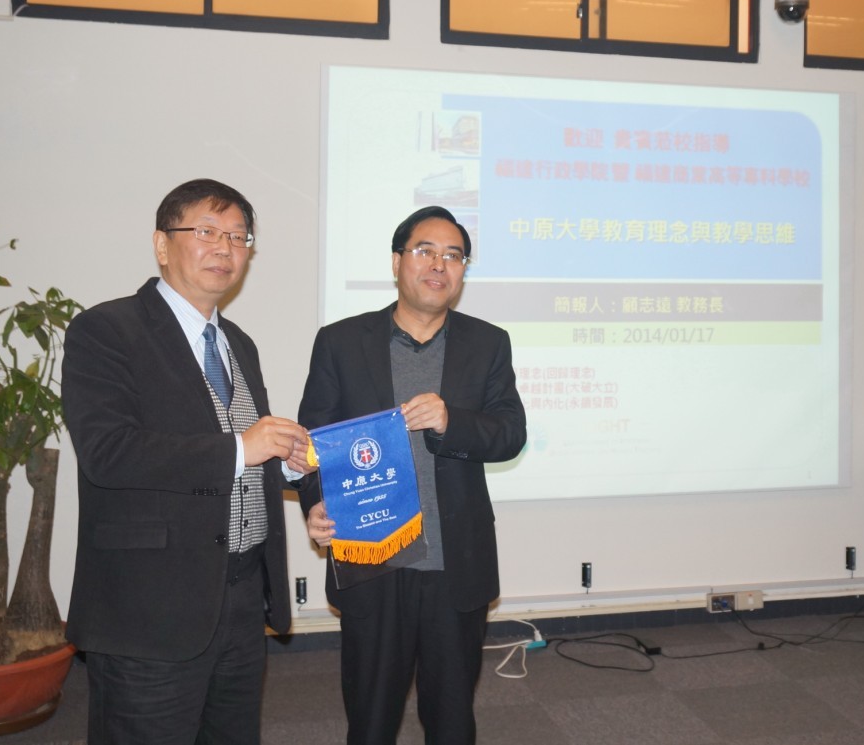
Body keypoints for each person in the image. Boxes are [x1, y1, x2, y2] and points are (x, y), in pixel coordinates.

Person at [62, 179, 315, 745]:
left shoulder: (237, 343)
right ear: (162, 244)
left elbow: (239, 460)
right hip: (150, 608)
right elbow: (108, 452)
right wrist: (242, 448)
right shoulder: (106, 330)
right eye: (206, 231)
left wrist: (285, 463)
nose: (225, 248)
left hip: (242, 598)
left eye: (239, 237)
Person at [299, 205, 527, 745]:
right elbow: (311, 445)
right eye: (425, 251)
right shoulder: (341, 341)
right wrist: (314, 502)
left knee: (451, 720)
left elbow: (510, 432)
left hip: (454, 563)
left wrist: (452, 421)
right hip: (372, 561)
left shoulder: (488, 342)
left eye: (454, 256)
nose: (439, 265)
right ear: (397, 261)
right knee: (371, 719)